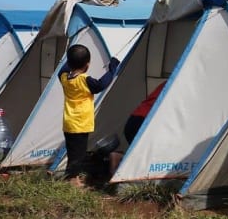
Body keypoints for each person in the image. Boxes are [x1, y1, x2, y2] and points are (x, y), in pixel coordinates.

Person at [58, 44, 119, 185]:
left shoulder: (64, 78)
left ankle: (70, 177)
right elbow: (101, 84)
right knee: (78, 155)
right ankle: (73, 180)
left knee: (73, 152)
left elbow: (63, 70)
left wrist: (71, 60)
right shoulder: (84, 80)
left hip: (69, 122)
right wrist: (112, 68)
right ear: (87, 65)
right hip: (80, 124)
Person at [109, 80, 167, 174]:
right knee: (150, 155)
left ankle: (119, 161)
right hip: (145, 122)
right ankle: (120, 160)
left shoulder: (168, 82)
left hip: (134, 119)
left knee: (143, 154)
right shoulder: (180, 85)